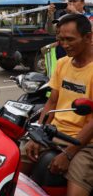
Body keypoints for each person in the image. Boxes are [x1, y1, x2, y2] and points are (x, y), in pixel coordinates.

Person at [21, 13, 93, 196]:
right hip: (54, 133)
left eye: (70, 39)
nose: (64, 44)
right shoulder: (62, 64)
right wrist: (37, 135)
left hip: (85, 143)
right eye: (60, 39)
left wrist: (68, 154)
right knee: (12, 168)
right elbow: (51, 102)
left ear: (88, 37)